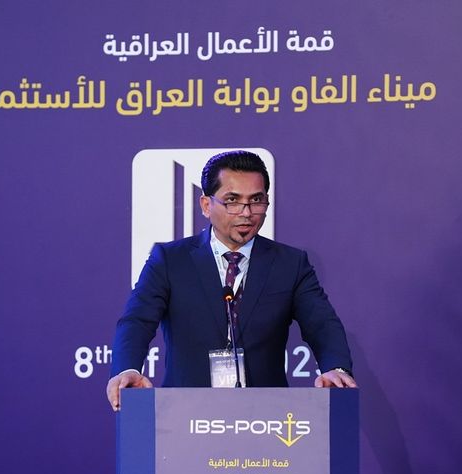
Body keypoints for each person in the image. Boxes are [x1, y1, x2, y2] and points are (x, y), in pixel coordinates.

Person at [106, 150, 356, 410]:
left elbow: (322, 324)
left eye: (256, 200)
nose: (246, 213)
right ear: (206, 205)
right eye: (233, 201)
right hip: (185, 415)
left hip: (266, 416)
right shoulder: (170, 260)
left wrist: (335, 368)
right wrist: (127, 369)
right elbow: (137, 321)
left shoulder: (290, 264)